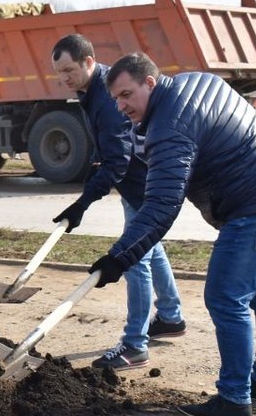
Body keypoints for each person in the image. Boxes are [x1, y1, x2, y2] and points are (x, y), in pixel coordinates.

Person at [91, 52, 256, 416]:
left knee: (225, 298)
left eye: (126, 94)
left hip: (255, 208)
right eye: (115, 99)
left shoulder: (169, 126)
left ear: (150, 83)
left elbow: (162, 207)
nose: (121, 105)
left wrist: (119, 258)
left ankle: (234, 399)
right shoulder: (194, 81)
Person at [48, 35, 185, 372]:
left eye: (69, 69)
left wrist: (84, 202)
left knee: (134, 259)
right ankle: (170, 316)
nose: (64, 78)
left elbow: (118, 162)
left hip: (143, 186)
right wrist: (95, 167)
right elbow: (107, 144)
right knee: (152, 249)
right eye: (59, 72)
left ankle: (134, 347)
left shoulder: (106, 97)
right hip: (136, 185)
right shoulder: (94, 90)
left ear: (88, 62)